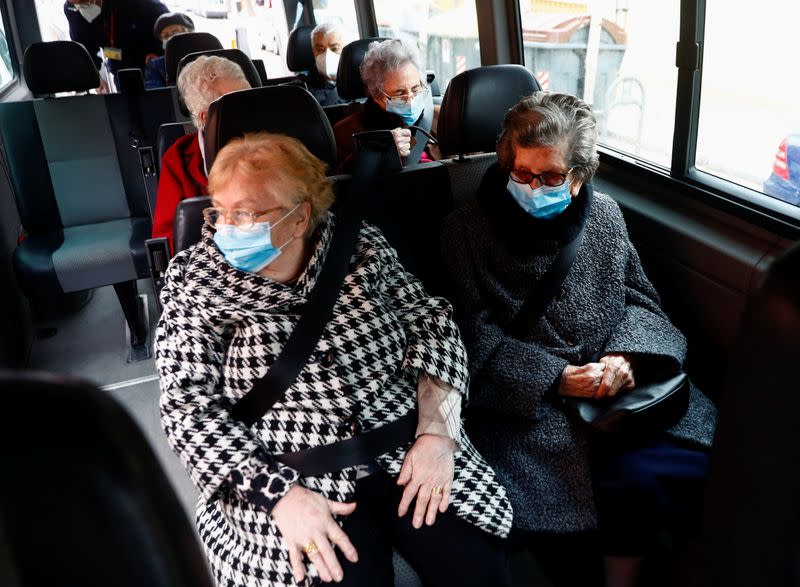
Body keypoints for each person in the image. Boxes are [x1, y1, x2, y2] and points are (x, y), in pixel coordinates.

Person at [155, 132, 513, 587]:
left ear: (300, 216)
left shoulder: (358, 246)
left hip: (407, 446)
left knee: (478, 569)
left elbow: (432, 322)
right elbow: (186, 408)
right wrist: (279, 496)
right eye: (220, 211)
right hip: (292, 474)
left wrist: (438, 431)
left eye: (246, 213)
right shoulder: (195, 281)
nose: (227, 227)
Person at [441, 92, 717, 587]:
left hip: (617, 393)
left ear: (579, 174)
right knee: (584, 489)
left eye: (549, 177)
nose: (531, 186)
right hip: (529, 409)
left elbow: (640, 300)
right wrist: (554, 379)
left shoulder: (605, 216)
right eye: (521, 173)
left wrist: (626, 358)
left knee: (688, 468)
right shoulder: (464, 231)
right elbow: (467, 338)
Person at [151, 56, 251, 253]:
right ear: (206, 117)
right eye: (238, 103)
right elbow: (171, 240)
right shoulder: (178, 159)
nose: (251, 109)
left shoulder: (280, 137)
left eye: (250, 97)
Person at [333, 38, 434, 174]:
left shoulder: (438, 120)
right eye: (399, 93)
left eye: (415, 89)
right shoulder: (347, 133)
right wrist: (378, 152)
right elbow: (341, 186)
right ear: (377, 95)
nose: (411, 99)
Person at [64, 0, 168, 86]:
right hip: (118, 62)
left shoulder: (139, 4)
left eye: (86, 2)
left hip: (150, 59)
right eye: (77, 5)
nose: (82, 8)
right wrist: (95, 75)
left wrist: (159, 51)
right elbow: (83, 45)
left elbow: (167, 24)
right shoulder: (72, 10)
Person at [144, 11, 194, 90]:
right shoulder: (156, 65)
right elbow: (156, 94)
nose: (171, 38)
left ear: (188, 33)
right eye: (166, 36)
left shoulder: (204, 57)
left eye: (175, 33)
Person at [302, 22, 346, 107]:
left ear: (345, 49)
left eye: (334, 49)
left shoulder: (361, 84)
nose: (327, 56)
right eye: (320, 49)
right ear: (313, 52)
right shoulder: (303, 91)